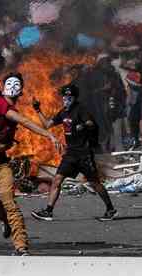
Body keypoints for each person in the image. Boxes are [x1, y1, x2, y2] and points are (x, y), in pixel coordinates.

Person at [0, 73, 62, 256]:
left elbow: (10, 142)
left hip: (1, 166)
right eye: (10, 84)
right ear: (3, 88)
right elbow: (25, 121)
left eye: (16, 85)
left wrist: (3, 145)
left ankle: (21, 248)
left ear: (19, 92)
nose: (12, 88)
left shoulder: (10, 118)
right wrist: (49, 135)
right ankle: (4, 220)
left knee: (10, 204)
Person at [31, 83, 118, 222]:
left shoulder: (81, 109)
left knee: (95, 183)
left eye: (69, 96)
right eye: (64, 96)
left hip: (84, 153)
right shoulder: (63, 112)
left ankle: (110, 209)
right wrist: (37, 109)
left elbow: (91, 123)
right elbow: (47, 125)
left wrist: (82, 125)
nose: (66, 99)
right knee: (57, 180)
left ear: (74, 97)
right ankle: (48, 211)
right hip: (70, 154)